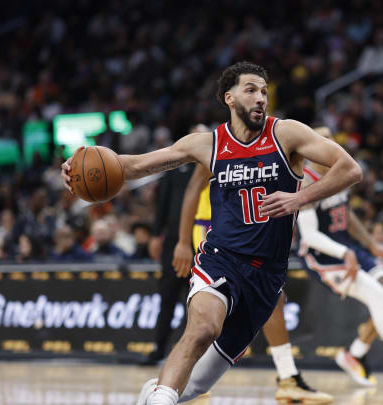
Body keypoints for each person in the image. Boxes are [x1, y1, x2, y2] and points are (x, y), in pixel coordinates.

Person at [61, 61, 362, 405]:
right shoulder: (208, 144)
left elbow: (349, 168)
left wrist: (300, 197)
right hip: (220, 258)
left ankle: (152, 394)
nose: (260, 98)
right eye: (251, 90)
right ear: (229, 98)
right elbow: (132, 165)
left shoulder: (287, 133)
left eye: (264, 91)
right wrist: (77, 165)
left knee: (192, 386)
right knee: (203, 328)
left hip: (267, 276)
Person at [172, 161, 332, 403]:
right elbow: (193, 189)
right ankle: (186, 375)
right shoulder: (219, 146)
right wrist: (183, 241)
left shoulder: (272, 150)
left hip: (251, 238)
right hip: (213, 231)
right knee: (208, 313)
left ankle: (286, 376)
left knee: (271, 301)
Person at [297, 127, 383, 390]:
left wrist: (372, 245)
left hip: (348, 246)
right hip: (324, 257)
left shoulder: (339, 169)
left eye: (331, 139)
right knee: (379, 297)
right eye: (322, 140)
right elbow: (310, 236)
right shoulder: (304, 181)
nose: (329, 144)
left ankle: (354, 354)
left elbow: (346, 216)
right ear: (309, 146)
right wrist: (345, 253)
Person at [141, 124, 206, 366]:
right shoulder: (174, 168)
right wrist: (156, 235)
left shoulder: (214, 167)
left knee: (198, 300)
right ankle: (159, 349)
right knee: (167, 297)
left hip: (202, 240)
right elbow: (163, 205)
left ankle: (188, 353)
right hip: (173, 243)